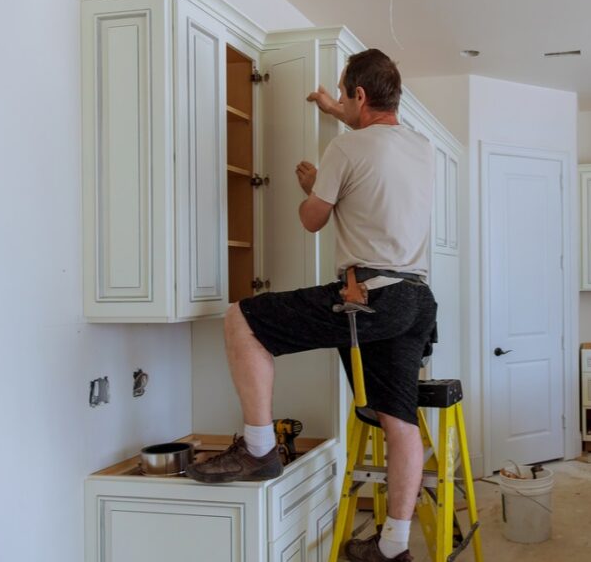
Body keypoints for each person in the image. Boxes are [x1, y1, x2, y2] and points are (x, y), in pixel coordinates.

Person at [186, 48, 435, 562]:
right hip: (417, 298)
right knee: (399, 420)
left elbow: (311, 220)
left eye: (345, 93)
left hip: (369, 294)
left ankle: (258, 448)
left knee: (242, 318)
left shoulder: (347, 150)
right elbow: (377, 132)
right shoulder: (420, 146)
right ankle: (393, 548)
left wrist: (311, 187)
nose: (342, 101)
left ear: (359, 95)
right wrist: (333, 107)